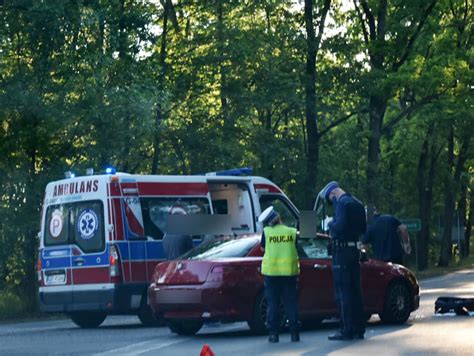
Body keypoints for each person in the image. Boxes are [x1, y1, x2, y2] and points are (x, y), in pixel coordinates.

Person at [319, 181, 366, 341]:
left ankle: (346, 329)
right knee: (356, 290)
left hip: (342, 251)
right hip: (355, 249)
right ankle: (360, 328)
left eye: (331, 200)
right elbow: (363, 229)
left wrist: (330, 223)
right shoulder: (357, 204)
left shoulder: (342, 204)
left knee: (342, 292)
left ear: (333, 193)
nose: (332, 203)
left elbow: (339, 226)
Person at [259, 206, 300, 343]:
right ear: (279, 218)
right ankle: (294, 333)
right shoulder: (291, 232)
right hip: (289, 272)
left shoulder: (266, 232)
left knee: (273, 303)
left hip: (271, 273)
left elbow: (263, 248)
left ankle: (273, 334)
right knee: (290, 302)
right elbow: (296, 246)